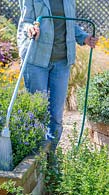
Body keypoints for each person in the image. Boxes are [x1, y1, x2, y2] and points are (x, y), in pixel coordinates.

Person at [17, 0, 98, 150]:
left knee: (56, 117)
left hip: (62, 62)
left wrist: (84, 37)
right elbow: (26, 21)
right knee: (37, 113)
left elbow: (70, 24)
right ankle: (35, 158)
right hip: (36, 60)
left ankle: (50, 158)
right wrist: (30, 29)